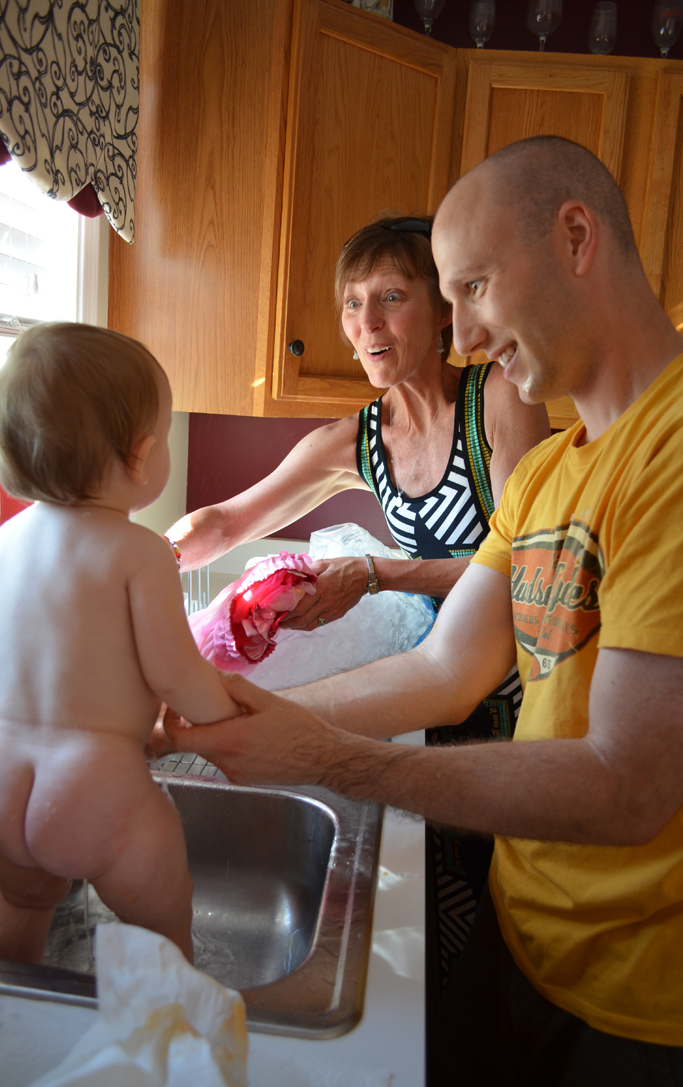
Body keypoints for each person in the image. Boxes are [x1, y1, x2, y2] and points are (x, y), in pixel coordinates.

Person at [165, 137, 683, 1084]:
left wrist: (323, 750)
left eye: (473, 288)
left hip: (640, 1005)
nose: (467, 334)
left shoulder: (668, 453)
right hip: (524, 935)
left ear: (576, 237)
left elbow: (628, 784)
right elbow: (446, 672)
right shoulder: (554, 479)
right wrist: (219, 726)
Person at [167, 215, 549, 1000]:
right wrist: (134, 560)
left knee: (503, 938)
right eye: (350, 303)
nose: (364, 324)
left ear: (443, 311)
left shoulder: (498, 402)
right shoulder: (359, 439)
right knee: (433, 932)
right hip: (427, 695)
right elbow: (230, 520)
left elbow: (520, 576)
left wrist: (375, 572)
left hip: (516, 711)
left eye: (390, 297)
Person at [0, 323, 239, 966]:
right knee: (163, 917)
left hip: (2, 772)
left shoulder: (4, 541)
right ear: (142, 455)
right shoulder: (139, 551)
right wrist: (226, 722)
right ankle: (163, 1030)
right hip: (95, 785)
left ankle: (10, 1026)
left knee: (22, 905)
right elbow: (174, 671)